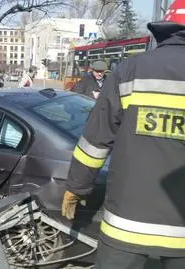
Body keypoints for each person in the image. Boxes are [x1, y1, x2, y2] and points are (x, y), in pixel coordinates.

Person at [61, 1, 185, 267]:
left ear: (163, 32)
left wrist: (76, 186)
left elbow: (95, 142)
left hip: (126, 228)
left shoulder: (129, 71)